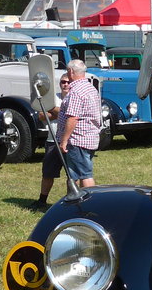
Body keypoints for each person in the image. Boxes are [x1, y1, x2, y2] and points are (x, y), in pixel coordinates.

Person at [37, 60, 104, 207]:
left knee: (84, 175)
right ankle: (75, 204)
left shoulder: (76, 91)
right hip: (88, 138)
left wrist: (64, 140)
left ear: (71, 72)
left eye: (68, 72)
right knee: (75, 174)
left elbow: (73, 118)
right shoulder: (90, 88)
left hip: (78, 140)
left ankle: (92, 206)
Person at [33, 73, 69, 209]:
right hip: (52, 140)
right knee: (47, 173)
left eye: (67, 82)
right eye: (62, 82)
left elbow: (67, 114)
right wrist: (59, 112)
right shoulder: (54, 98)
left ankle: (70, 202)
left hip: (69, 141)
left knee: (72, 174)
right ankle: (42, 200)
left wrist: (52, 111)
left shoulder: (73, 98)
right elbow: (41, 115)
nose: (65, 84)